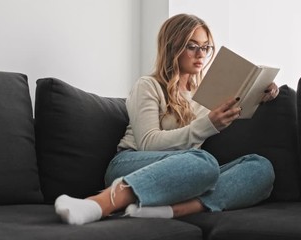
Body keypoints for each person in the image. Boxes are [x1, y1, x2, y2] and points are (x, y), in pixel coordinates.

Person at [54, 13, 278, 225]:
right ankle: (97, 205)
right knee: (204, 162)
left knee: (260, 167)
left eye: (206, 47)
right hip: (134, 163)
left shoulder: (207, 95)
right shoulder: (148, 86)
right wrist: (208, 125)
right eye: (192, 46)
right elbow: (148, 143)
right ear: (173, 47)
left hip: (186, 174)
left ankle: (172, 211)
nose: (201, 54)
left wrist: (262, 91)